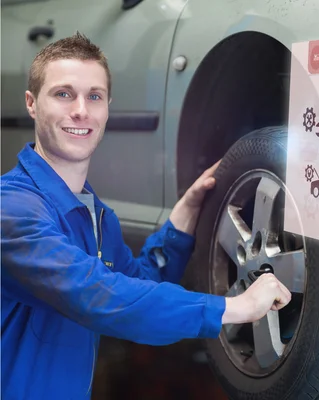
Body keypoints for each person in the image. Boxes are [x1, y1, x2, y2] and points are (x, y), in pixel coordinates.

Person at [0, 32, 292, 399]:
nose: (81, 110)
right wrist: (235, 307)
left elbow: (136, 284)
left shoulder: (95, 216)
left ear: (108, 107)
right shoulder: (10, 210)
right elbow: (99, 295)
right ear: (31, 103)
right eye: (63, 94)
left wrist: (181, 219)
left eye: (94, 96)